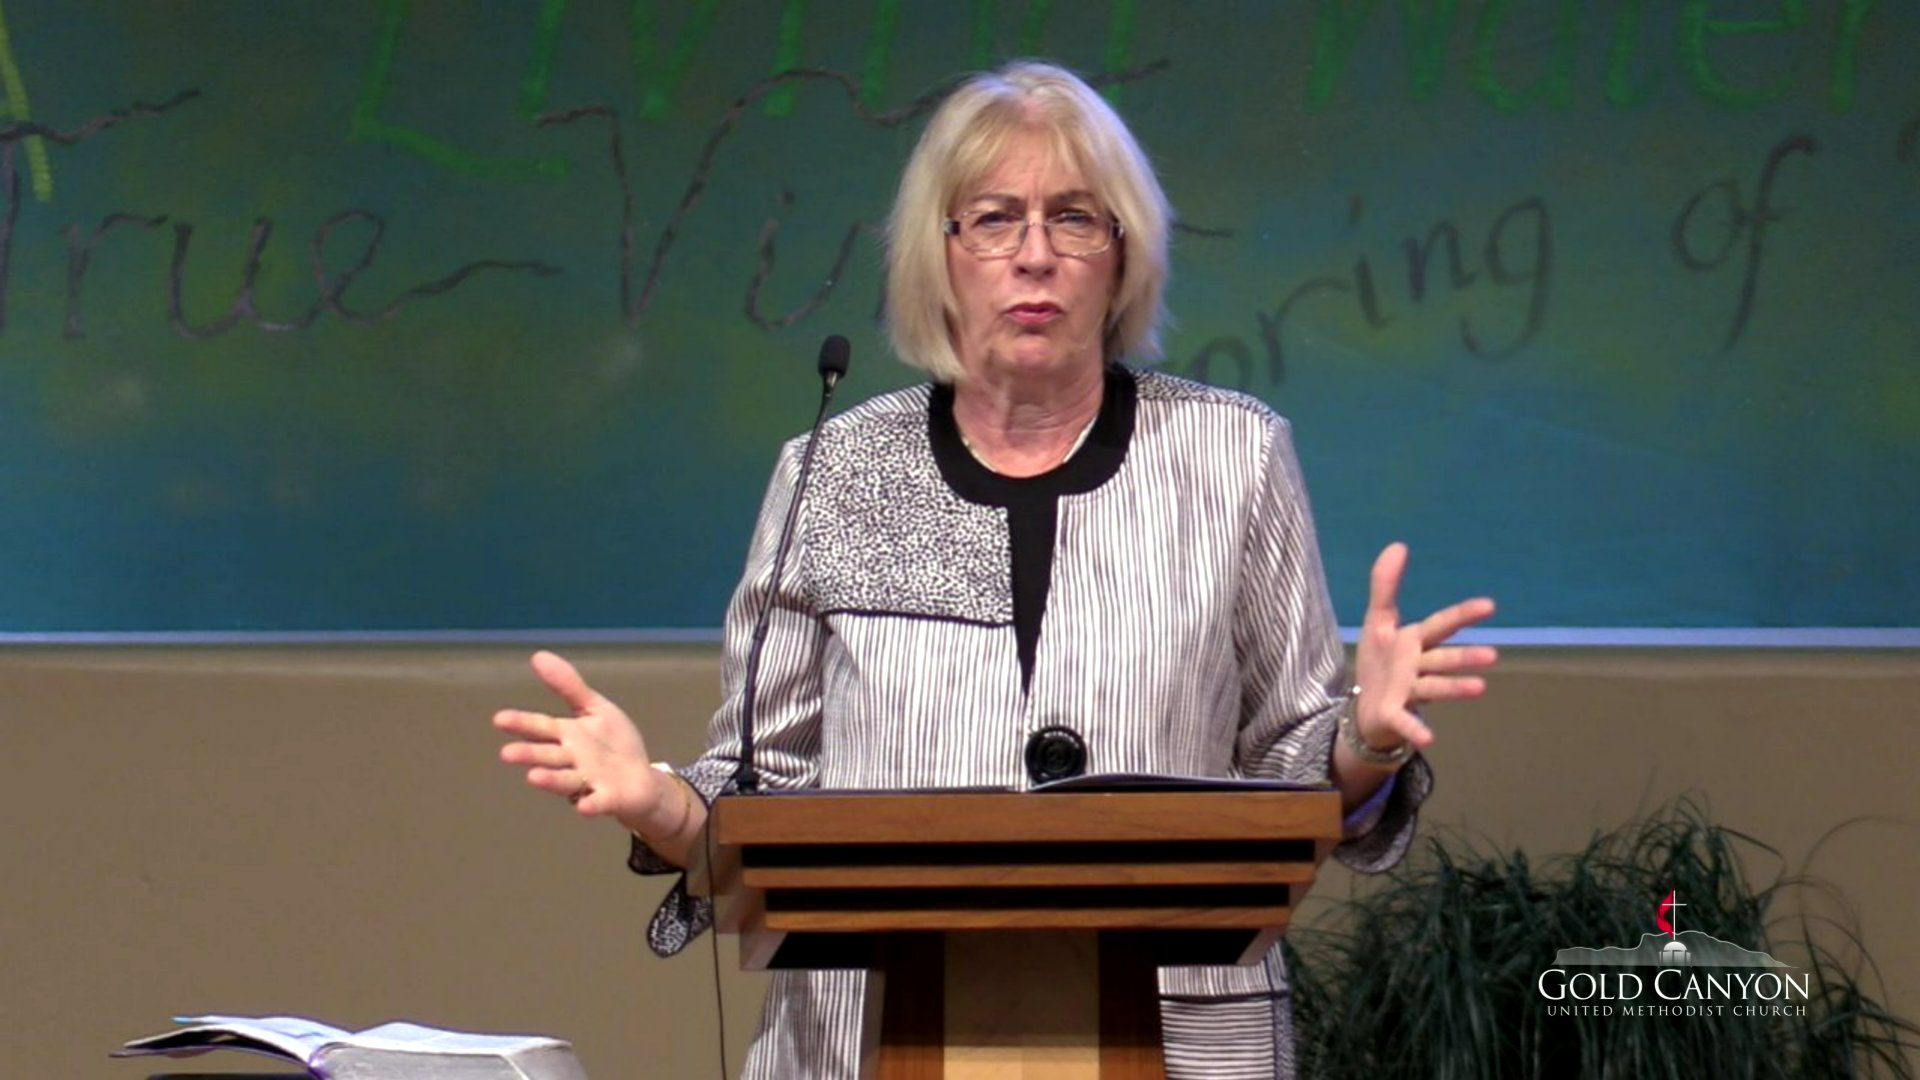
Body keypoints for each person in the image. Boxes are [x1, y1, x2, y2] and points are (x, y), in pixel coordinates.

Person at [495, 59, 1497, 1079]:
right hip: (868, 1037)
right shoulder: (837, 471)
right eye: (994, 220)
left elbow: (1292, 774)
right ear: (939, 255)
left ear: (1123, 254)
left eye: (1074, 219)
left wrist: (1366, 740)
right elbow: (762, 790)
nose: (1035, 256)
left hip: (1176, 1039)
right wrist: (662, 804)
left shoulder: (1232, 458)